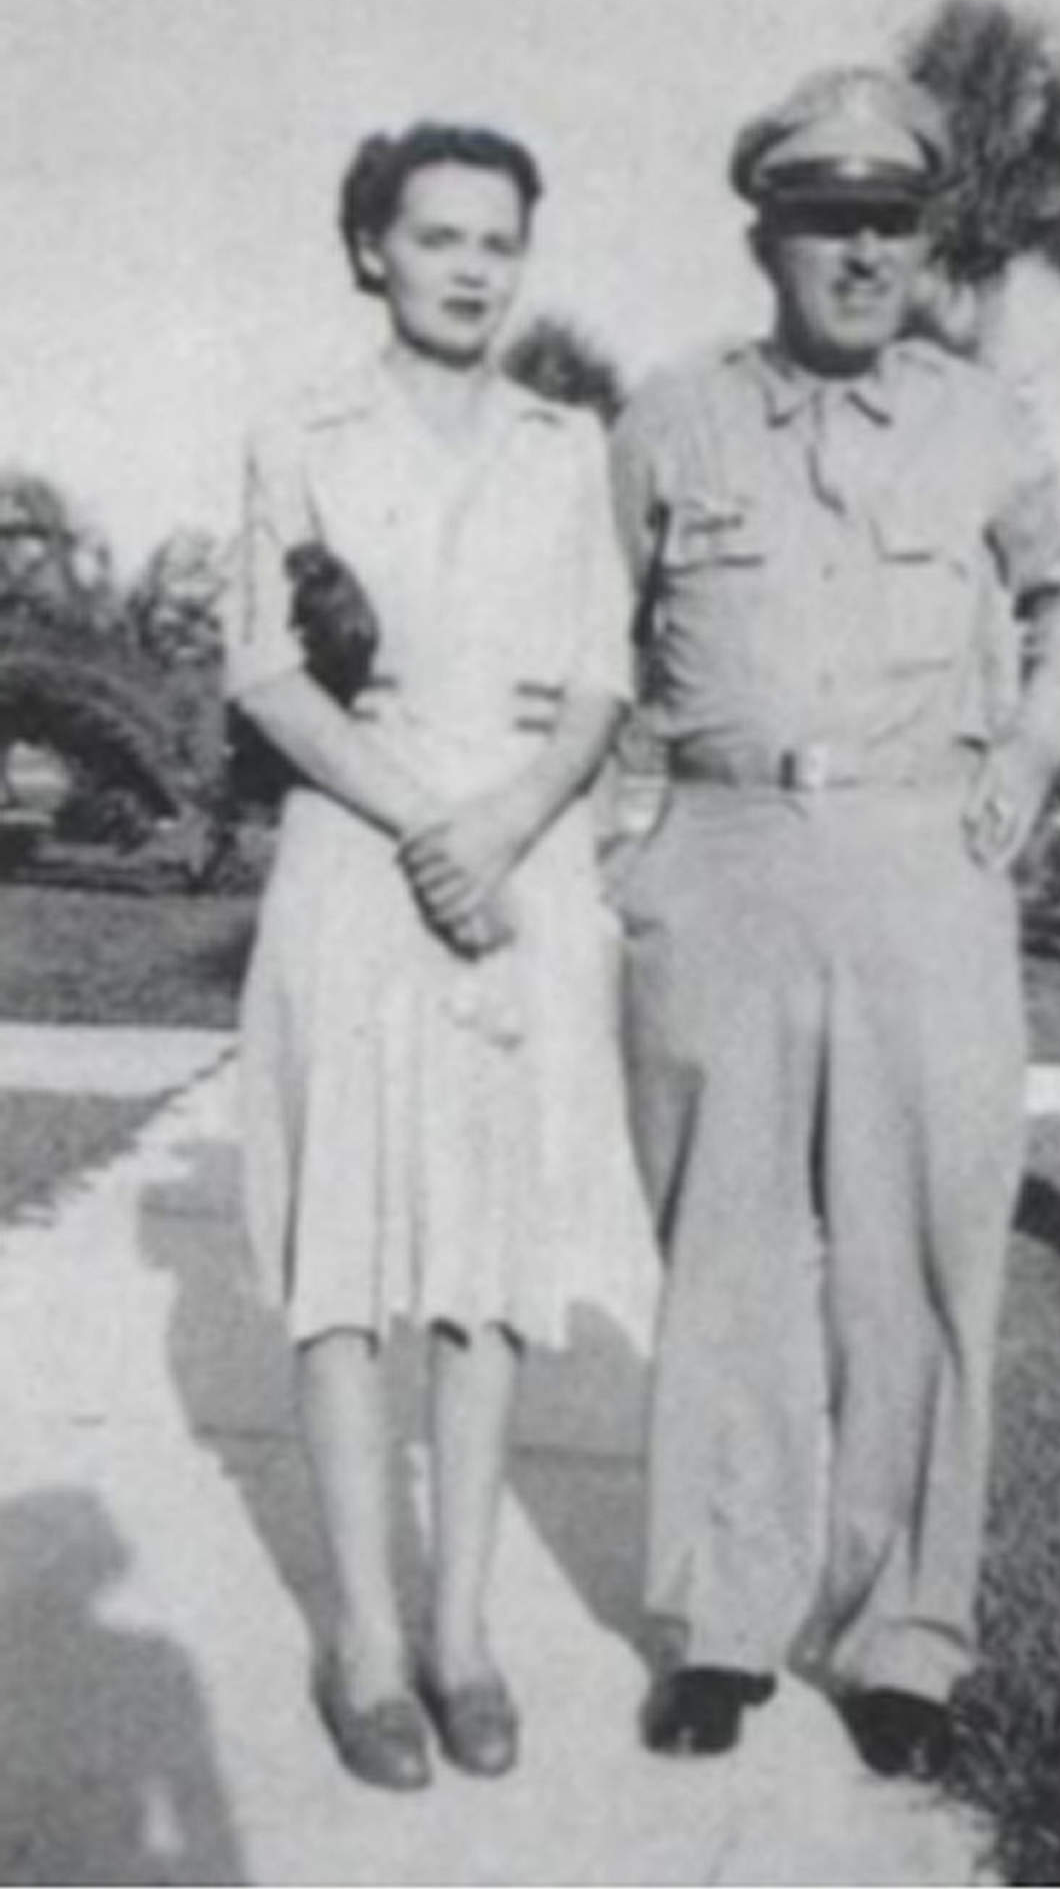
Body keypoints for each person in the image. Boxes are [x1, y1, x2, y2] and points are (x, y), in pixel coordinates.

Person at [609, 66, 1060, 1779]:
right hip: (722, 857)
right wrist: (626, 843)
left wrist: (1031, 749)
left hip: (921, 860)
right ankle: (723, 1624)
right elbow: (582, 643)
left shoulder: (984, 423)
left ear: (922, 237)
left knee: (920, 1259)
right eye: (829, 219)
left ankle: (905, 1635)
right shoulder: (671, 423)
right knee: (727, 1258)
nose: (865, 251)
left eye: (892, 220)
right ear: (770, 236)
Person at [224, 118, 646, 1791]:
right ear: (371, 251)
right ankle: (367, 1646)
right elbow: (267, 674)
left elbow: (606, 674)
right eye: (439, 235)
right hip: (357, 857)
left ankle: (463, 1634)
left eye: (498, 241)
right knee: (345, 1260)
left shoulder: (567, 443)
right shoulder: (301, 433)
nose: (472, 268)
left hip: (522, 869)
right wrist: (428, 828)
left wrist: (509, 822)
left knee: (485, 1262)